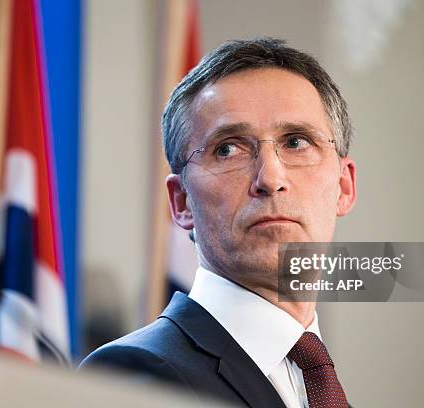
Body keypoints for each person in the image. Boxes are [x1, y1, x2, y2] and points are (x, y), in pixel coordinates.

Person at [80, 37, 357, 408]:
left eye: (296, 142)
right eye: (227, 148)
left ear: (344, 186)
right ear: (182, 202)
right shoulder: (134, 376)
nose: (270, 177)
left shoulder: (318, 383)